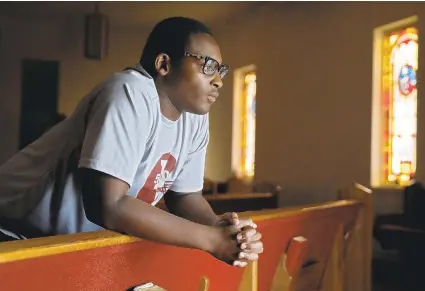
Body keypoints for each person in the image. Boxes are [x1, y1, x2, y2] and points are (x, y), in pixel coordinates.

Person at [0, 17, 263, 267]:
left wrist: (220, 229)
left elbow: (185, 197)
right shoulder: (129, 91)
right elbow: (108, 206)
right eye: (208, 66)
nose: (218, 81)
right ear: (164, 64)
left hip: (61, 244)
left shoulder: (194, 118)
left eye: (221, 70)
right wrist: (211, 241)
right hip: (12, 229)